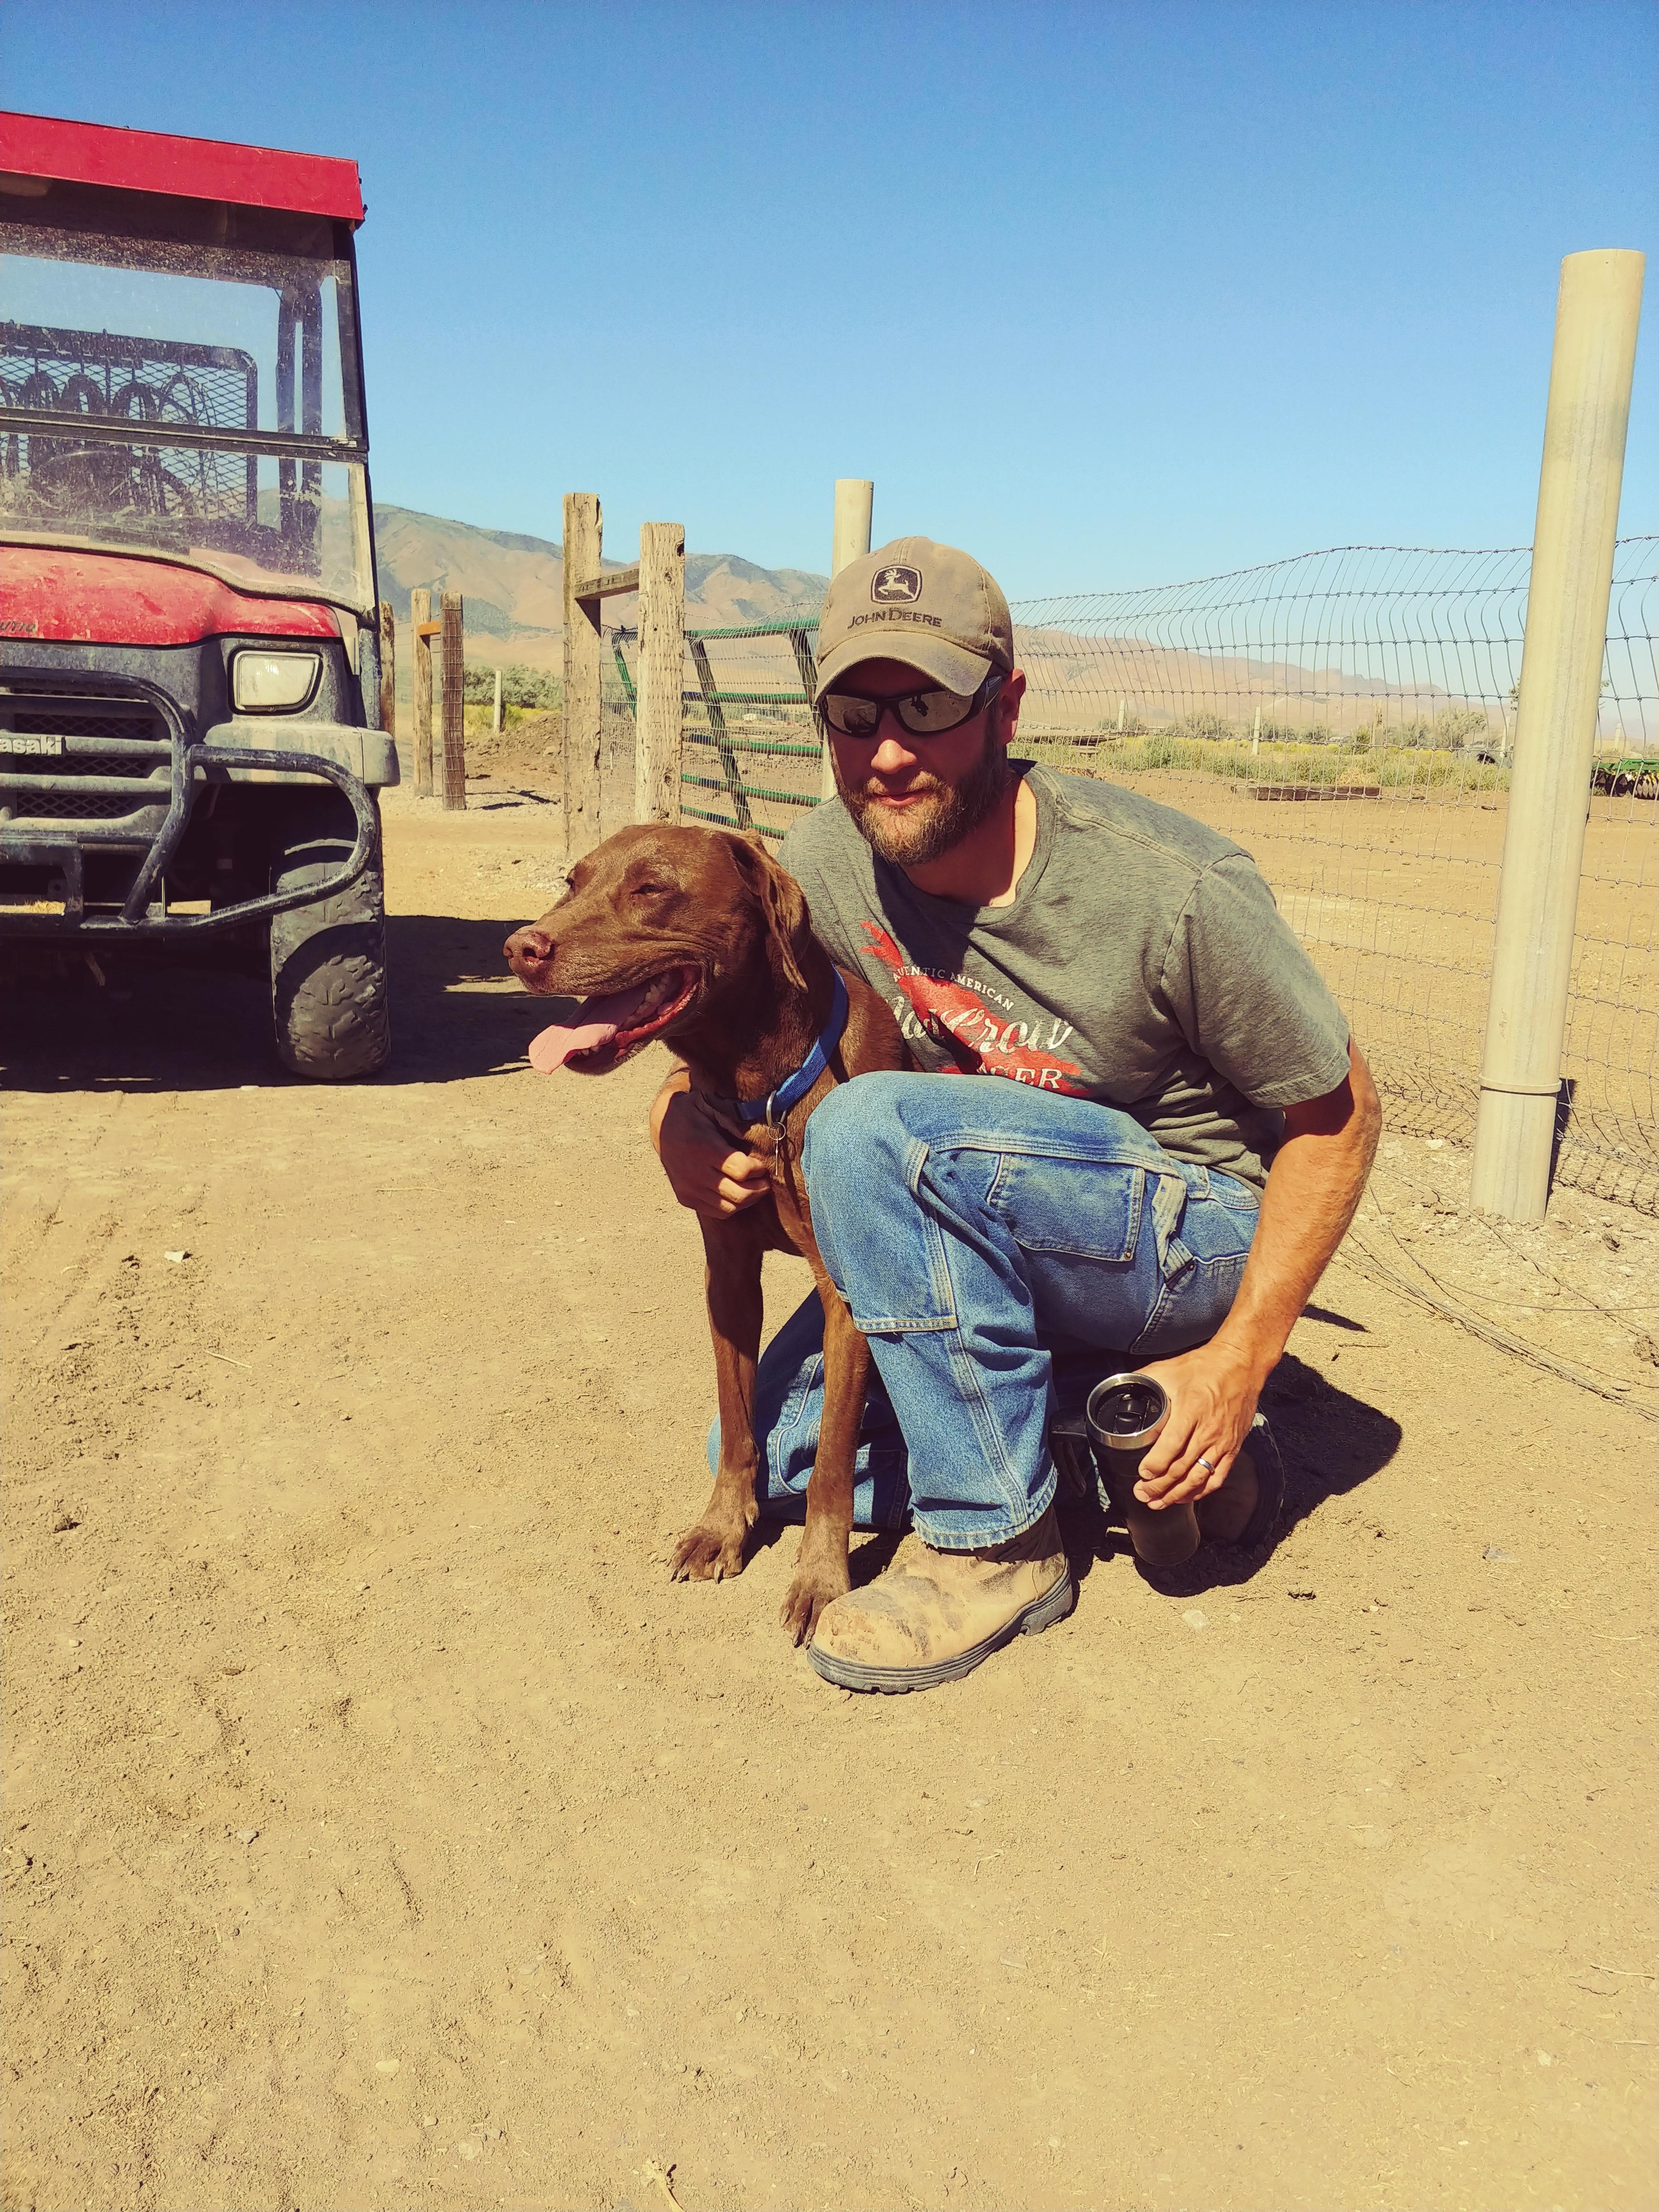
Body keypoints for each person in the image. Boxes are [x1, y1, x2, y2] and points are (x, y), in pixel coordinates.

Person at [649, 537, 1380, 1693]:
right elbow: (760, 1027)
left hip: (1191, 1233)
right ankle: (1101, 1440)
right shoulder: (827, 860)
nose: (887, 752)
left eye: (929, 705)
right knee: (771, 1453)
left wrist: (1243, 1357)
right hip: (992, 1209)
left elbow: (1341, 1117)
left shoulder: (1167, 887)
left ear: (1006, 707)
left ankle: (997, 1539)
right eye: (852, 711)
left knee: (874, 1130)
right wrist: (678, 1122)